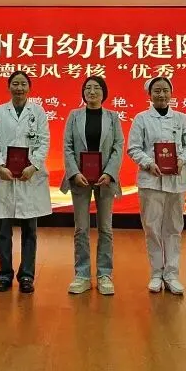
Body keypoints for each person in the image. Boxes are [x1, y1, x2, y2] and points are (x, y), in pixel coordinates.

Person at [127, 76, 186, 295]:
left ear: (171, 93)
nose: (162, 94)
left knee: (174, 228)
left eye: (165, 90)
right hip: (151, 181)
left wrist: (181, 160)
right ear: (149, 94)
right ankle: (156, 273)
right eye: (157, 90)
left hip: (176, 181)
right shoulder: (141, 119)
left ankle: (172, 274)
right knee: (152, 228)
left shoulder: (181, 118)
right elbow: (133, 148)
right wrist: (148, 163)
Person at [0, 71, 52, 294]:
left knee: (29, 231)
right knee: (3, 231)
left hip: (29, 177)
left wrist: (33, 166)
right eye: (15, 84)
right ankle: (4, 274)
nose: (19, 88)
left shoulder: (38, 112)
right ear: (9, 87)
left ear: (29, 88)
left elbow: (44, 141)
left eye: (23, 84)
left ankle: (27, 275)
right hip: (4, 176)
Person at [61, 75, 125, 296]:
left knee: (105, 228)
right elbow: (67, 146)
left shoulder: (112, 117)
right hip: (80, 179)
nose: (92, 91)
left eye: (96, 88)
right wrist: (74, 172)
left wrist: (109, 173)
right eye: (87, 88)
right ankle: (82, 275)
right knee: (81, 228)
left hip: (105, 180)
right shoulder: (74, 116)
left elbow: (118, 146)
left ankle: (105, 275)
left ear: (103, 92)